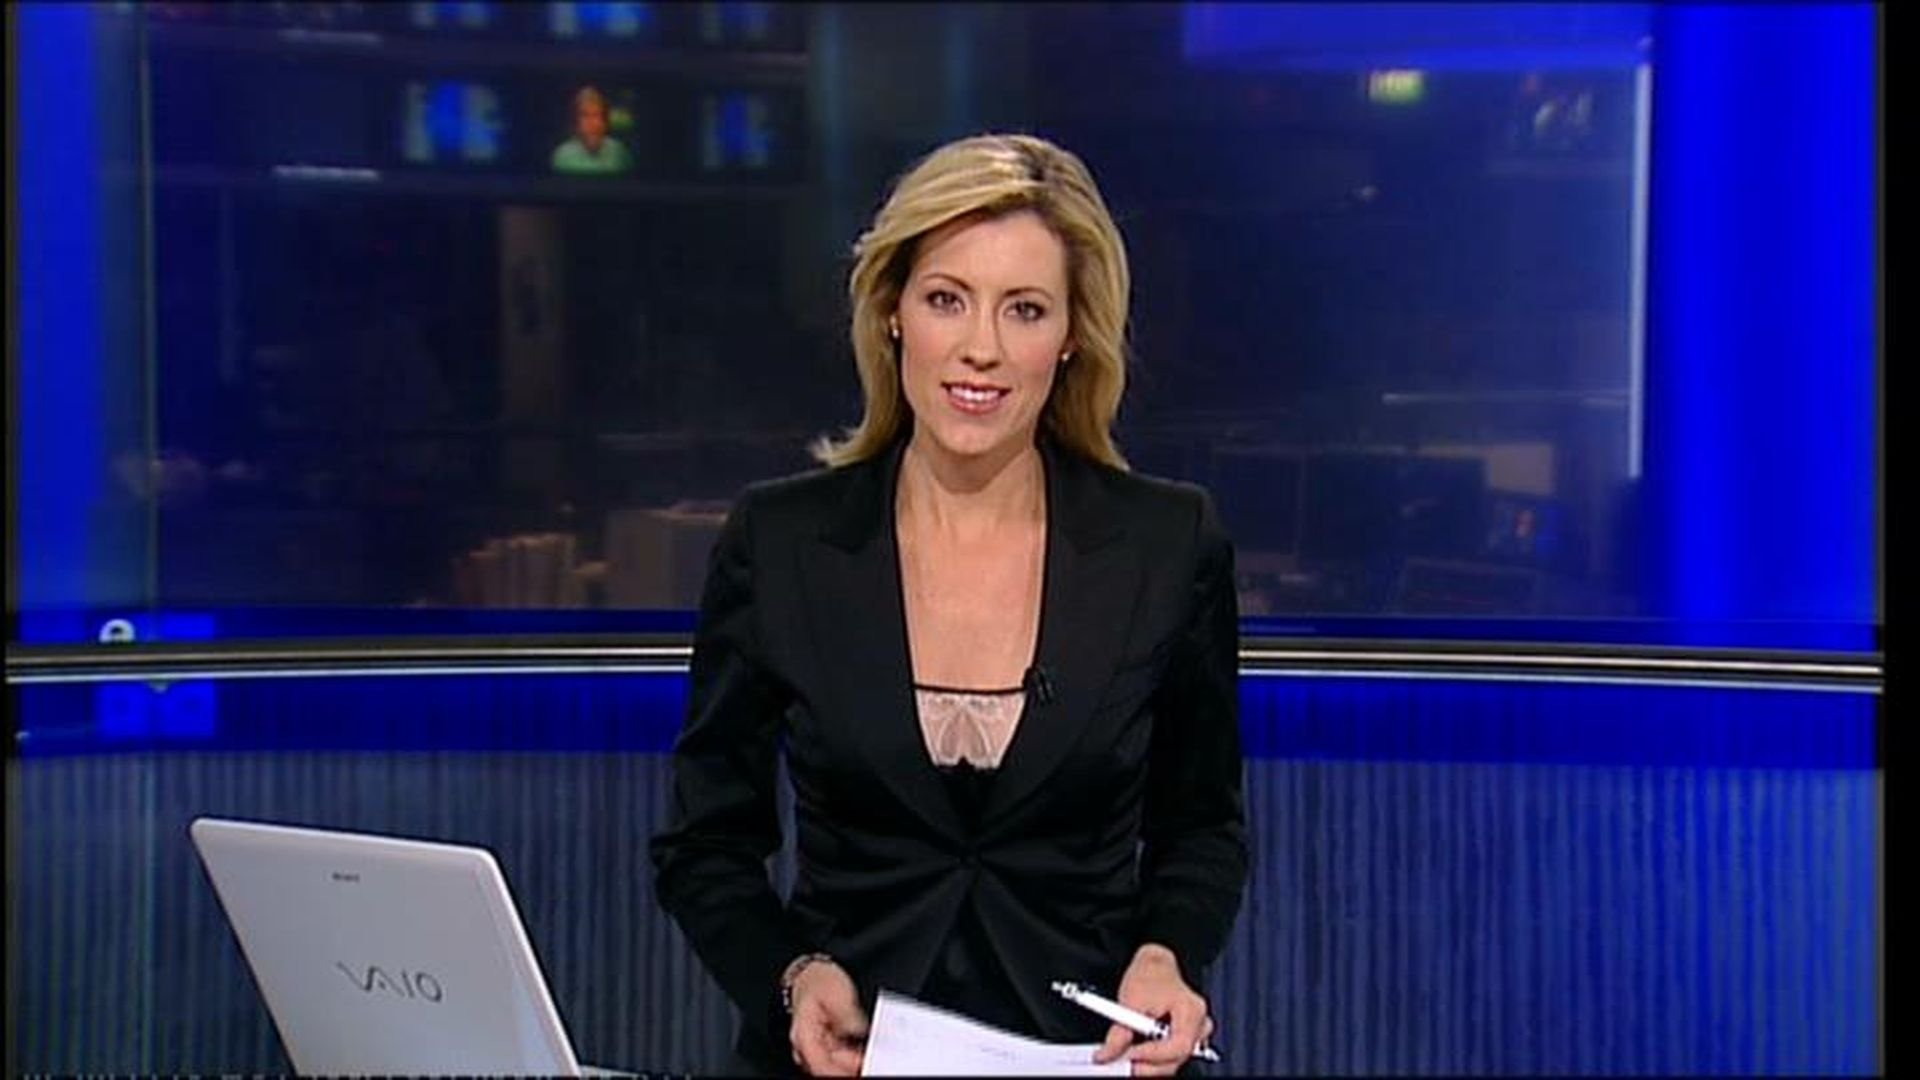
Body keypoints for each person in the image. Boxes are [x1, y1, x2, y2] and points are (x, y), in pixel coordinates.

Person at [650, 132, 1248, 1076]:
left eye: (1025, 310)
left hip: (1081, 1055)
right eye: (946, 299)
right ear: (892, 312)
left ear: (1072, 335)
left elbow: (1202, 827)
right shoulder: (781, 543)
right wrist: (790, 976)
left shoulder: (1167, 546)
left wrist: (1167, 954)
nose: (981, 349)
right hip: (845, 1058)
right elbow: (706, 844)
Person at [551, 85, 633, 175]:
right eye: (585, 115)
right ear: (576, 123)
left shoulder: (619, 152)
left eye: (597, 115)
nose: (593, 123)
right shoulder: (563, 156)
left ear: (605, 121)